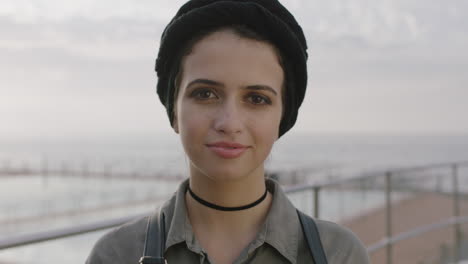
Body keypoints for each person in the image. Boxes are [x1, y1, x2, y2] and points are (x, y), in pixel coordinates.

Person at [86, 0, 370, 263]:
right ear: (174, 111)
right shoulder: (116, 255)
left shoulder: (339, 254)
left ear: (282, 117)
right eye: (205, 94)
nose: (229, 122)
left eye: (257, 99)